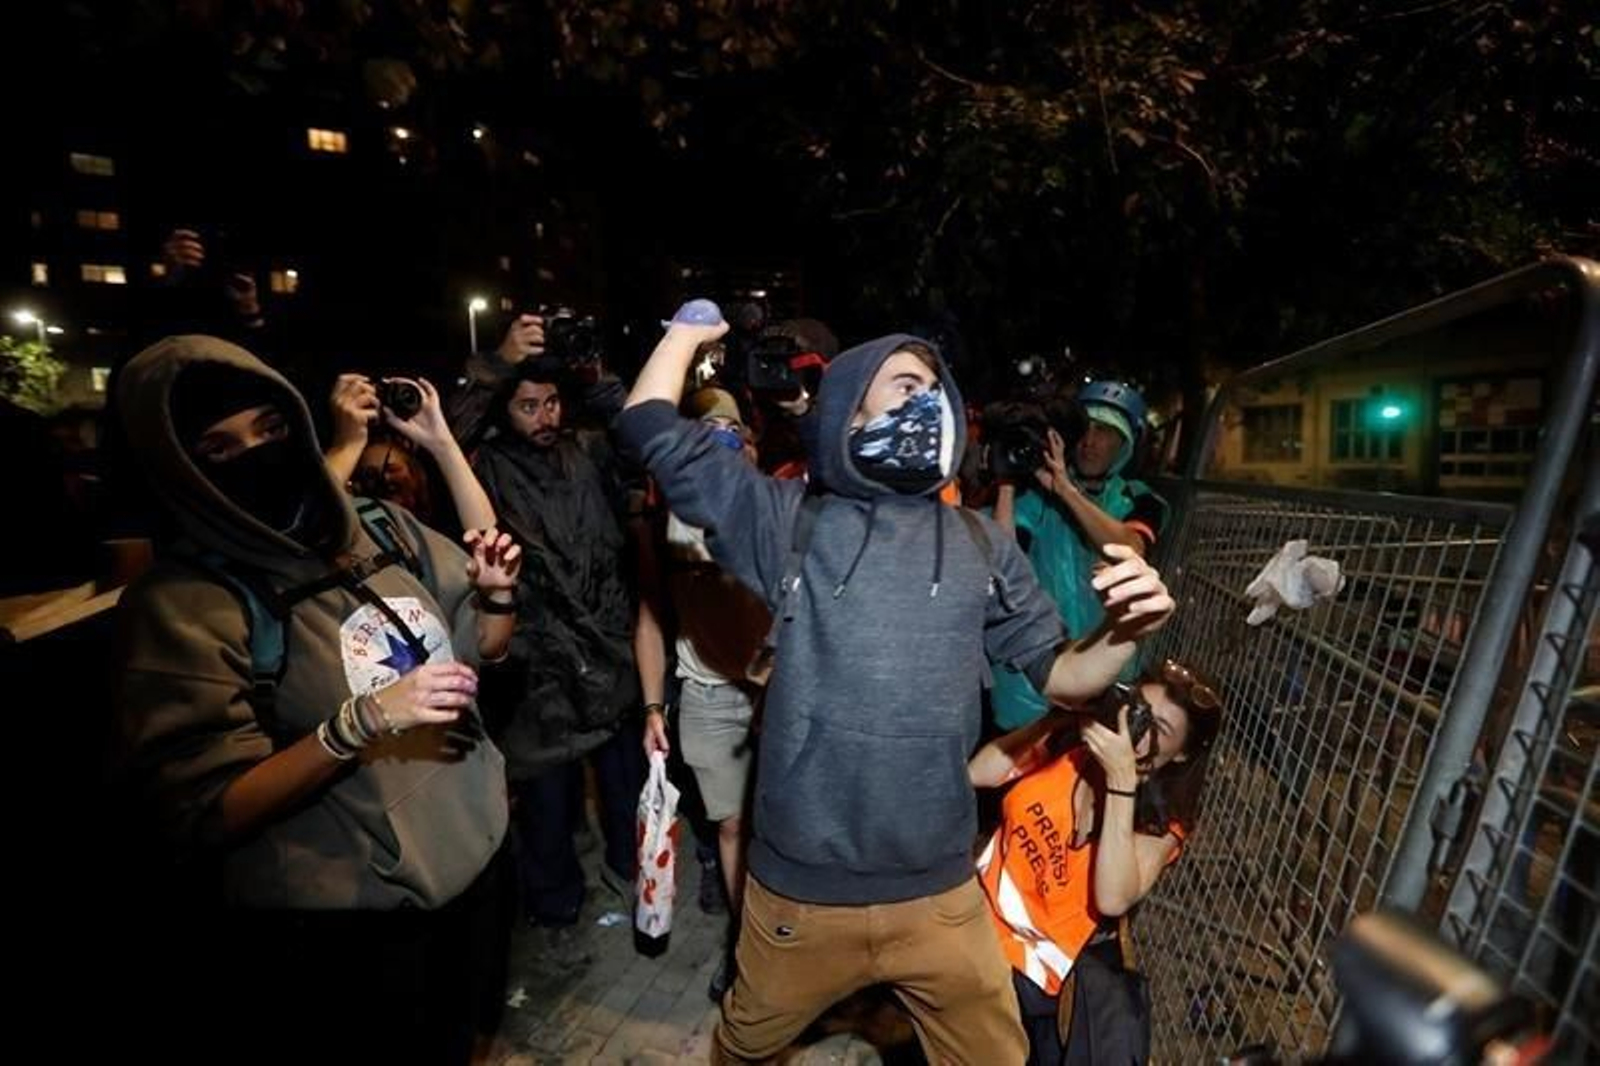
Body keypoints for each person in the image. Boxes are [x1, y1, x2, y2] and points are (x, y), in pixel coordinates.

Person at [616, 306, 1175, 1065]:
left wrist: (1125, 630)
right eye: (901, 385)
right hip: (801, 900)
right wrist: (686, 336)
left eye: (932, 388)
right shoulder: (789, 521)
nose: (924, 402)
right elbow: (649, 424)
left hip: (939, 897)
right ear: (847, 412)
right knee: (745, 1047)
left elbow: (1064, 676)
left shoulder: (983, 542)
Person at [114, 334, 521, 1065]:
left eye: (270, 430)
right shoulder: (185, 604)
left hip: (473, 871)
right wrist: (355, 726)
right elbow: (204, 811)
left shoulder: (377, 527)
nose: (260, 454)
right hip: (359, 928)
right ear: (181, 473)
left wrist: (495, 596)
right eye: (219, 449)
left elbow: (480, 655)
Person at [448, 313, 644, 925]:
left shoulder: (586, 450)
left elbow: (639, 437)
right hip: (539, 676)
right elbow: (445, 437)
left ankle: (633, 879)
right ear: (506, 411)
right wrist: (497, 363)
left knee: (625, 798)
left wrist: (594, 371)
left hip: (608, 660)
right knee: (548, 811)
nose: (545, 416)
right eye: (528, 405)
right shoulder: (489, 466)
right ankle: (557, 908)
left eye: (552, 401)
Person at [969, 659, 1222, 1064]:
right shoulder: (1073, 747)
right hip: (972, 914)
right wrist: (1059, 718)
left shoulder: (1162, 823)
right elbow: (979, 774)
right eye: (1140, 713)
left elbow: (1112, 900)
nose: (1137, 733)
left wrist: (1122, 784)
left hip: (1027, 973)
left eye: (1159, 731)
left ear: (1181, 755)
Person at [636, 386, 771, 999]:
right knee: (732, 830)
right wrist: (653, 705)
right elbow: (650, 618)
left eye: (733, 431)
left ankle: (795, 951)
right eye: (707, 432)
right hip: (709, 697)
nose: (723, 441)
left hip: (777, 694)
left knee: (790, 829)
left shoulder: (774, 503)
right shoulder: (661, 521)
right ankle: (748, 950)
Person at [992, 381, 1169, 728]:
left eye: (1104, 431)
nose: (1090, 441)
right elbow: (1002, 556)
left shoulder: (1139, 498)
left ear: (1125, 444)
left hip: (1106, 671)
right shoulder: (1037, 495)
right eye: (1084, 430)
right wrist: (1007, 483)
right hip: (1035, 678)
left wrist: (1067, 492)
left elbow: (1129, 546)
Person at [324, 372, 496, 535]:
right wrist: (346, 445)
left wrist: (443, 445)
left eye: (390, 468)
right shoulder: (359, 524)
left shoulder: (445, 506)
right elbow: (309, 520)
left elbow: (487, 540)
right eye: (371, 476)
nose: (385, 480)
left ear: (414, 469)